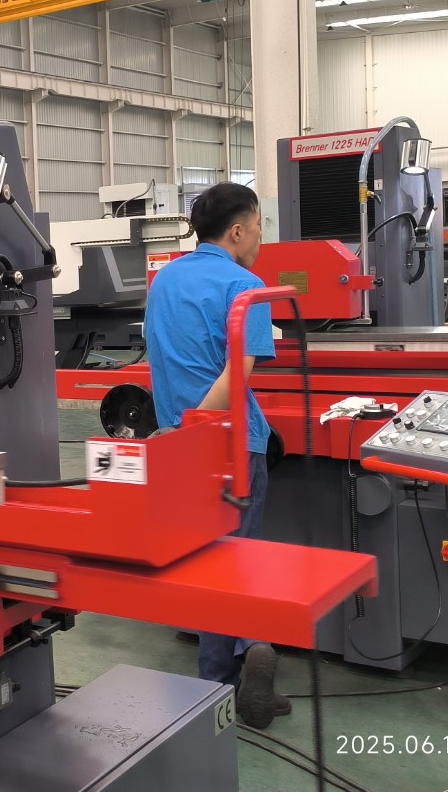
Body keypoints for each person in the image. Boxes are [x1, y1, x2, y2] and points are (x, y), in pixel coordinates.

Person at [143, 181, 287, 730]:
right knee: (237, 558)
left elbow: (163, 356)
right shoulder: (246, 287)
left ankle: (222, 676)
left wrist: (179, 433)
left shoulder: (164, 279)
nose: (260, 238)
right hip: (228, 443)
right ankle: (243, 657)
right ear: (237, 230)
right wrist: (200, 427)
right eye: (259, 226)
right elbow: (237, 375)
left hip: (176, 444)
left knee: (205, 558)